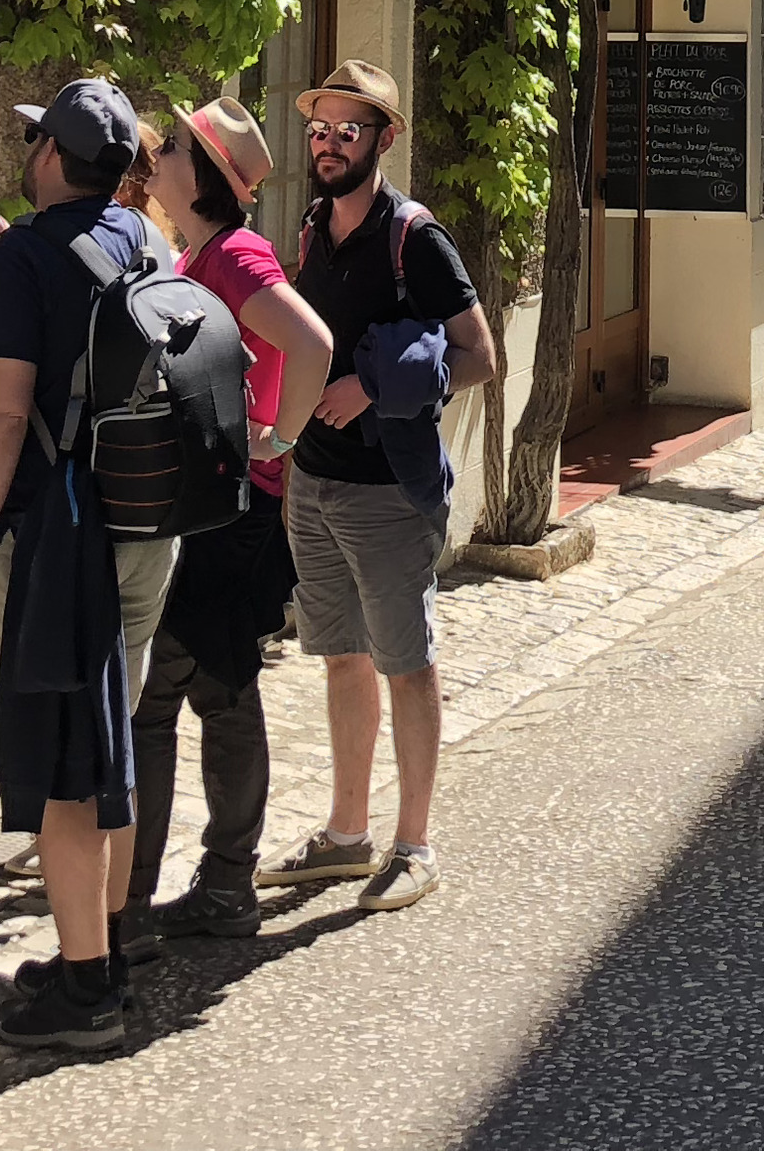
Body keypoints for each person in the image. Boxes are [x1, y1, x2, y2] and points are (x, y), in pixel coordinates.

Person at [0, 77, 170, 1052]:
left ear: (51, 159)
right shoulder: (144, 241)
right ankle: (105, 948)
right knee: (108, 743)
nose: (29, 150)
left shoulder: (26, 261)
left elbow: (4, 415)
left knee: (65, 768)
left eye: (37, 140)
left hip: (59, 539)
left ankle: (87, 993)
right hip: (143, 529)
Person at [255, 60, 492, 914]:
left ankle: (414, 843)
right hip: (314, 483)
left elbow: (479, 358)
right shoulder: (314, 225)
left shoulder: (415, 238)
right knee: (341, 656)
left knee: (407, 661)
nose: (327, 144)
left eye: (347, 131)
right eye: (318, 129)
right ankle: (347, 835)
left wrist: (375, 386)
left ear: (383, 139)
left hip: (389, 491)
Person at [121, 100, 330, 955]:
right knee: (214, 689)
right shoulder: (198, 254)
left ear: (201, 173)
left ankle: (134, 902)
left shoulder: (235, 257)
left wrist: (279, 437)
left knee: (165, 697)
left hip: (230, 510)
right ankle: (218, 883)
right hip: (216, 503)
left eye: (171, 147)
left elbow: (311, 342)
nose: (158, 156)